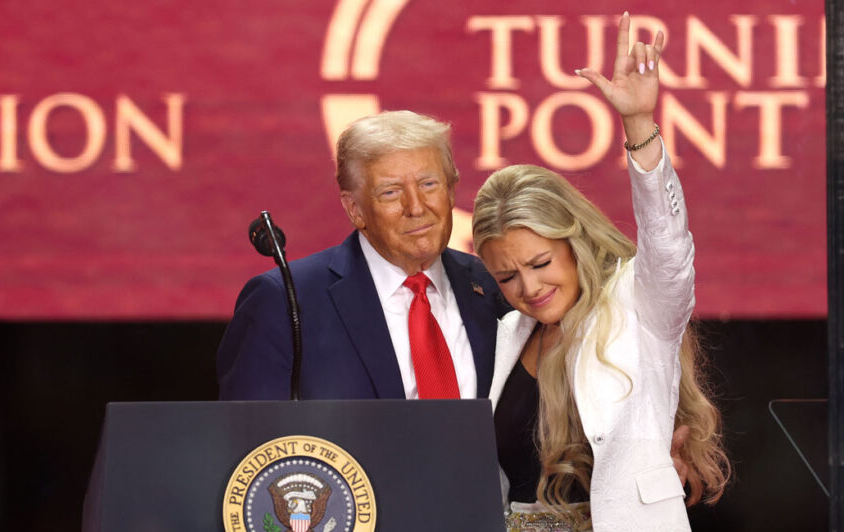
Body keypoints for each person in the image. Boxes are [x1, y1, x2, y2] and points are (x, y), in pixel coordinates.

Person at [471, 12, 729, 531]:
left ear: (575, 242)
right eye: (507, 276)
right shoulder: (506, 336)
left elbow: (667, 244)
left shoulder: (638, 304)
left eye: (541, 263)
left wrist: (639, 125)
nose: (529, 288)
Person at [216, 110, 509, 400]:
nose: (416, 207)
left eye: (428, 184)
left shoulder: (493, 284)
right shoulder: (285, 301)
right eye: (390, 192)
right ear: (354, 209)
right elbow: (252, 428)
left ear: (452, 191)